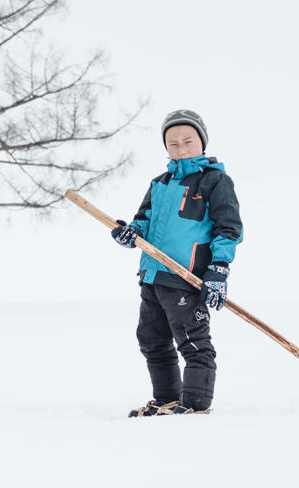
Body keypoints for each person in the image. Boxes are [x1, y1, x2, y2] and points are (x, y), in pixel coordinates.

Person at [111, 109, 242, 416]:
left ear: (202, 142)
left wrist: (219, 269)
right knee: (151, 338)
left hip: (187, 277)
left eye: (188, 141)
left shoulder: (215, 181)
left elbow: (229, 229)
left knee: (192, 341)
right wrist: (130, 233)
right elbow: (143, 220)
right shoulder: (160, 183)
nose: (181, 148)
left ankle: (195, 406)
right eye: (173, 143)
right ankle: (167, 400)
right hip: (153, 276)